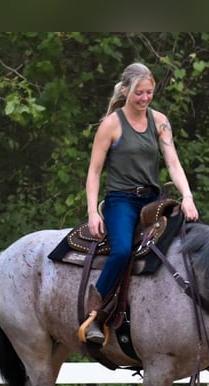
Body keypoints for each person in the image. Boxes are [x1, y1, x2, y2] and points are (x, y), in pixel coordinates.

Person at [80, 62, 199, 345]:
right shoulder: (111, 124)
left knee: (187, 240)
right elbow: (94, 172)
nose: (145, 98)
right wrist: (92, 211)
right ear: (126, 91)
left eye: (149, 92)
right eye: (139, 93)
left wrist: (188, 197)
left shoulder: (160, 121)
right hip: (121, 199)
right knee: (121, 251)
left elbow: (173, 162)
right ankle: (95, 312)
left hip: (151, 199)